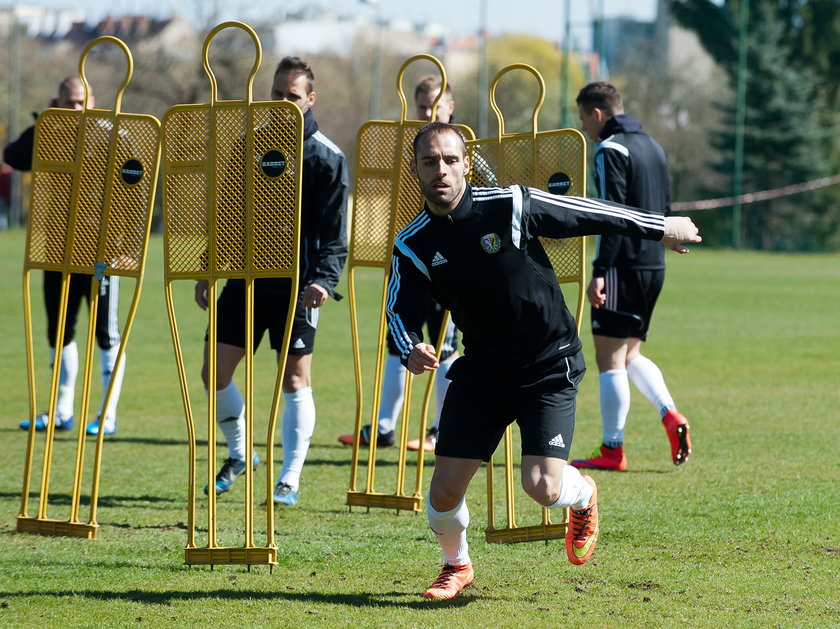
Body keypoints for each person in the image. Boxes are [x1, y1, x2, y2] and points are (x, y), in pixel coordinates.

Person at [387, 122, 700, 600]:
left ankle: (585, 495)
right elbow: (398, 309)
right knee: (441, 496)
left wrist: (658, 227)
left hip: (547, 365)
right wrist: (410, 346)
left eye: (450, 160)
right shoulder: (413, 243)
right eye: (429, 162)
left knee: (542, 487)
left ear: (466, 164)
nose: (441, 170)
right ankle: (457, 565)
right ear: (415, 171)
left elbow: (589, 213)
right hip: (484, 372)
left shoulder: (509, 204)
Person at [196, 56, 348, 506]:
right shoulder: (249, 144)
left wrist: (322, 280)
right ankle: (241, 455)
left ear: (310, 100)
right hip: (245, 280)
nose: (283, 103)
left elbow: (335, 234)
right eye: (277, 94)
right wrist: (209, 265)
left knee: (294, 381)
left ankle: (290, 478)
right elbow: (229, 214)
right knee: (213, 373)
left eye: (293, 96)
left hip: (298, 285)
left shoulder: (327, 156)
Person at [570, 81, 692, 472]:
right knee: (631, 352)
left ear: (598, 114)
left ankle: (612, 449)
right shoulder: (653, 145)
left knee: (609, 360)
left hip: (622, 266)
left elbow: (611, 215)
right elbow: (665, 202)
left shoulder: (611, 149)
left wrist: (600, 271)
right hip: (653, 264)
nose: (586, 129)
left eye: (585, 120)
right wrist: (669, 237)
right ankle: (670, 414)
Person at [338, 75, 459, 453]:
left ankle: (442, 429)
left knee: (446, 346)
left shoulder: (463, 150)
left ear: (449, 109)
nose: (428, 113)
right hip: (407, 259)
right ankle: (384, 428)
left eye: (435, 106)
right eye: (422, 106)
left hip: (449, 264)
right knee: (398, 342)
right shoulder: (405, 153)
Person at [6, 76, 126, 436]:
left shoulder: (111, 134)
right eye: (68, 103)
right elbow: (13, 157)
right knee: (59, 332)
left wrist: (125, 249)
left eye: (80, 103)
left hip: (103, 252)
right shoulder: (50, 131)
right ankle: (60, 412)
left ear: (92, 101)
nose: (75, 110)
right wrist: (45, 121)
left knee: (106, 333)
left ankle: (107, 415)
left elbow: (134, 190)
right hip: (58, 250)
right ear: (58, 100)